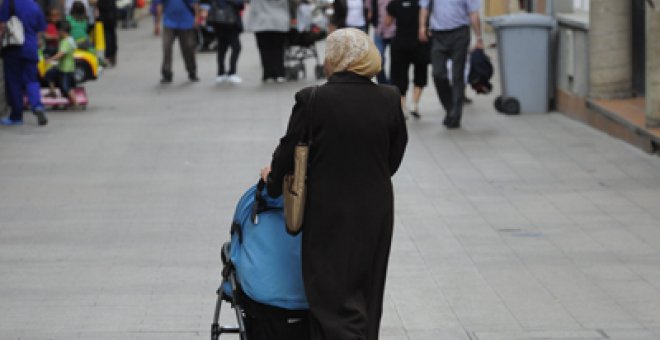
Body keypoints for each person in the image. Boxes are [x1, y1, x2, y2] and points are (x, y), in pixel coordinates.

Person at [261, 28, 408, 340]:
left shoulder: (313, 99)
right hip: (376, 209)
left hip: (328, 211)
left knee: (329, 292)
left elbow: (288, 151)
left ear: (337, 58)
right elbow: (393, 158)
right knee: (367, 288)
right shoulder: (390, 98)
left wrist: (272, 181)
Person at [418, 0, 482, 128]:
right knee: (438, 73)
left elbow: (473, 13)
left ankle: (455, 115)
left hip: (459, 33)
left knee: (457, 74)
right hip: (438, 35)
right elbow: (424, 7)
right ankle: (450, 107)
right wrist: (422, 27)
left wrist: (479, 37)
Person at [0, 0, 48, 126]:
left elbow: (2, 24)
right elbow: (41, 30)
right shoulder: (34, 5)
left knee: (14, 82)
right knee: (31, 80)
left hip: (14, 48)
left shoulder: (9, 3)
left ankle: (16, 116)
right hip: (31, 48)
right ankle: (37, 106)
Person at [385, 0, 430, 118]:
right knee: (420, 73)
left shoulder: (394, 3)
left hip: (400, 42)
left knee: (399, 76)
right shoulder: (422, 3)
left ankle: (402, 106)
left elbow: (387, 23)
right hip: (420, 42)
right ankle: (414, 104)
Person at [154, 0, 201, 83]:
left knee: (188, 48)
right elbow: (159, 6)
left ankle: (192, 71)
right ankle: (167, 73)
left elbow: (195, 4)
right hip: (169, 22)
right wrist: (157, 24)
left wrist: (197, 18)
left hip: (186, 22)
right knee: (166, 47)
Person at [243, 0, 289, 83]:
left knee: (264, 50)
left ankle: (268, 75)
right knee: (278, 49)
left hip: (260, 22)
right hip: (279, 21)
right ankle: (280, 74)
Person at [45, 20, 78, 107]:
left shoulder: (66, 42)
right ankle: (52, 92)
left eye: (57, 31)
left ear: (62, 31)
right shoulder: (69, 39)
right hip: (62, 67)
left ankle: (75, 103)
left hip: (66, 70)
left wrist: (50, 59)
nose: (57, 33)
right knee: (49, 74)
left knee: (66, 87)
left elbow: (61, 54)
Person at [212, 0, 244, 84]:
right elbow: (240, 5)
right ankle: (231, 73)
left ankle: (221, 73)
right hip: (230, 24)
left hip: (218, 23)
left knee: (222, 49)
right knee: (236, 48)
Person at [366, 0, 394, 84]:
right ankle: (383, 83)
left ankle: (393, 83)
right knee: (378, 59)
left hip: (396, 31)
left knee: (396, 60)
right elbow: (369, 8)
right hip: (379, 30)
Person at [96, 0, 119, 66]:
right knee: (112, 35)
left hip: (106, 15)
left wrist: (97, 4)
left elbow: (100, 4)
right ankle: (112, 57)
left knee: (108, 36)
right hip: (112, 14)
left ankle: (108, 58)